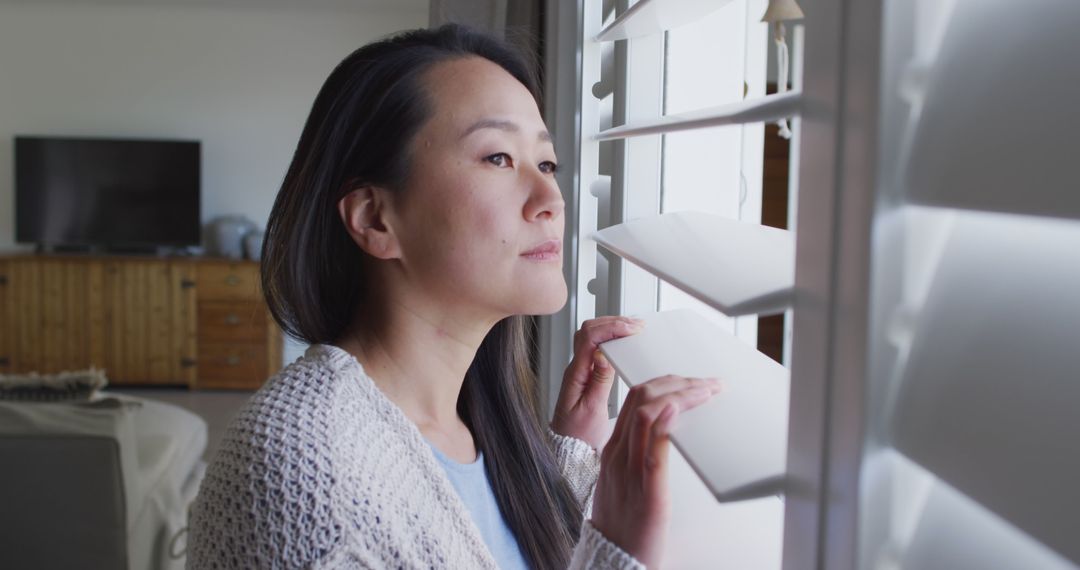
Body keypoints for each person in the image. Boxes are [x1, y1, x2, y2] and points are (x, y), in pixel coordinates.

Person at [187, 24, 720, 570]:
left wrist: (568, 476)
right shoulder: (300, 472)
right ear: (375, 218)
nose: (550, 199)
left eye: (546, 163)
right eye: (497, 158)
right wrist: (618, 553)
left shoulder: (476, 433)